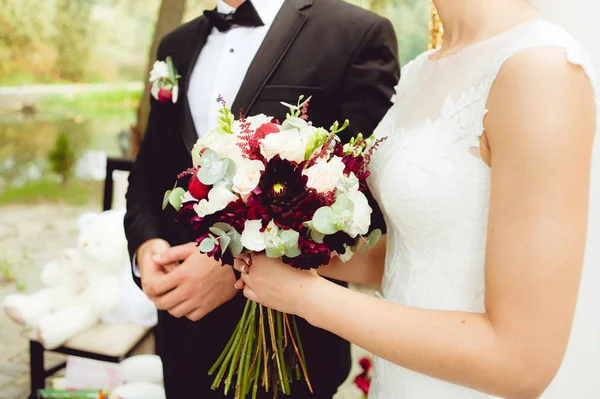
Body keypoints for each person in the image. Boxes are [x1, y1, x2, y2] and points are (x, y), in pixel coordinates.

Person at [228, 0, 600, 397]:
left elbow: (520, 363)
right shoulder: (423, 69)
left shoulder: (539, 68)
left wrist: (303, 296)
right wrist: (287, 247)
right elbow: (415, 250)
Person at [123, 0, 400, 397]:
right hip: (182, 335)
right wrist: (145, 247)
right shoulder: (176, 45)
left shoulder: (356, 33)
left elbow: (365, 200)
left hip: (289, 348)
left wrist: (235, 263)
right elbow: (151, 170)